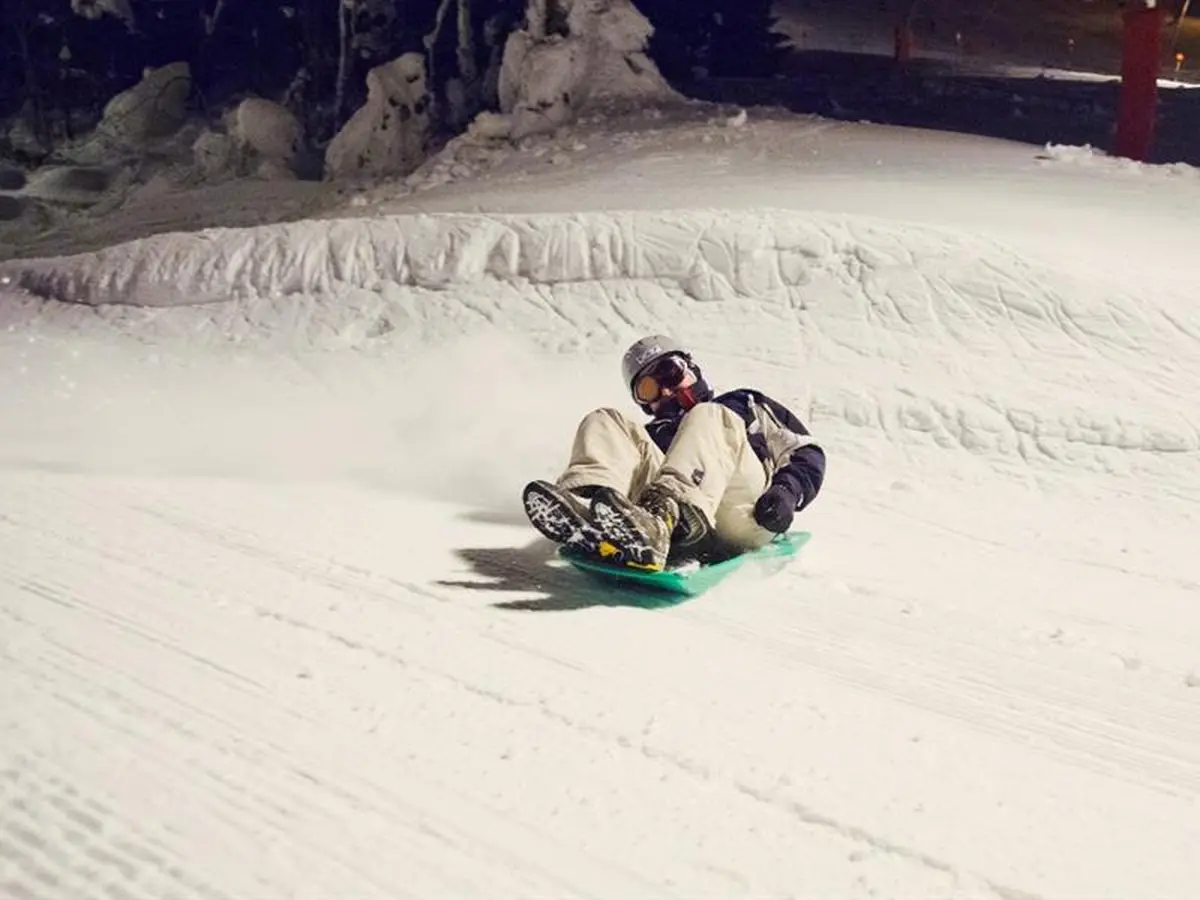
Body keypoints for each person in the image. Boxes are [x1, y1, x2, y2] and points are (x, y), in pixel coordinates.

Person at [522, 335, 826, 572]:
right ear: (645, 404)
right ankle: (594, 519)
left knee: (706, 415)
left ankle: (662, 519)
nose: (666, 391)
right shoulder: (652, 437)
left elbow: (804, 449)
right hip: (676, 529)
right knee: (606, 419)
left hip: (744, 515)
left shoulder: (740, 404)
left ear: (692, 370)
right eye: (650, 389)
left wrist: (787, 491)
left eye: (670, 374)